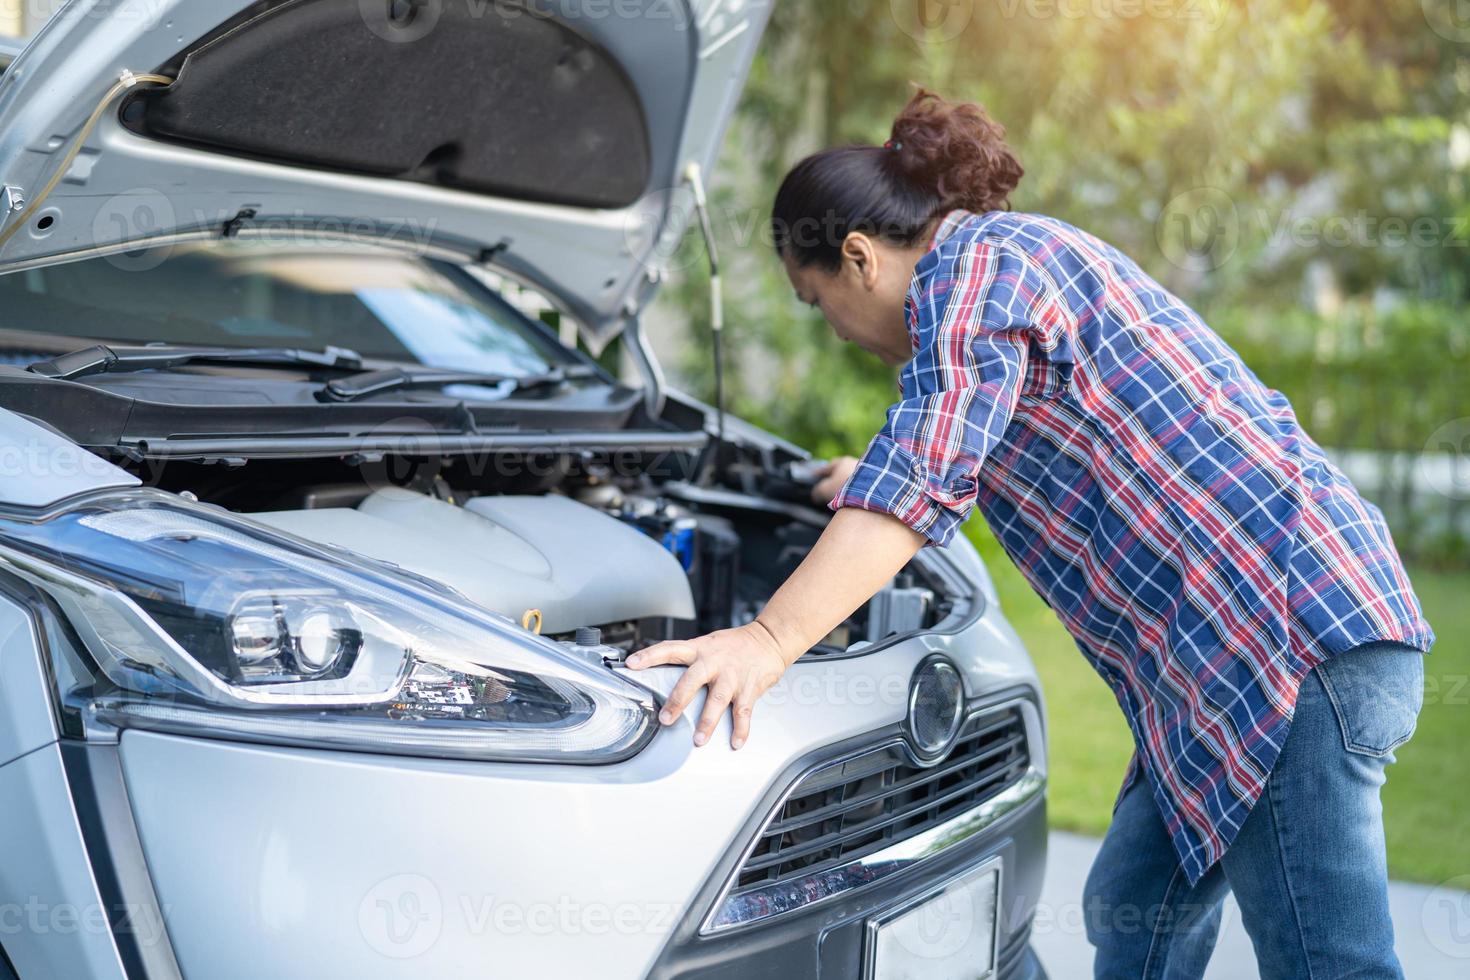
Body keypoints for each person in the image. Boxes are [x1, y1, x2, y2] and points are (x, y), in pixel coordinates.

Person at [625, 90, 1432, 978]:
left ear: (857, 258)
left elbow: (930, 467)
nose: (834, 329)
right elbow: (976, 437)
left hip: (1287, 643)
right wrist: (875, 475)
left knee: (1330, 961)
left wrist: (767, 640)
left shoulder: (972, 276)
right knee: (1135, 911)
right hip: (1229, 659)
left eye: (816, 302)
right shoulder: (1003, 261)